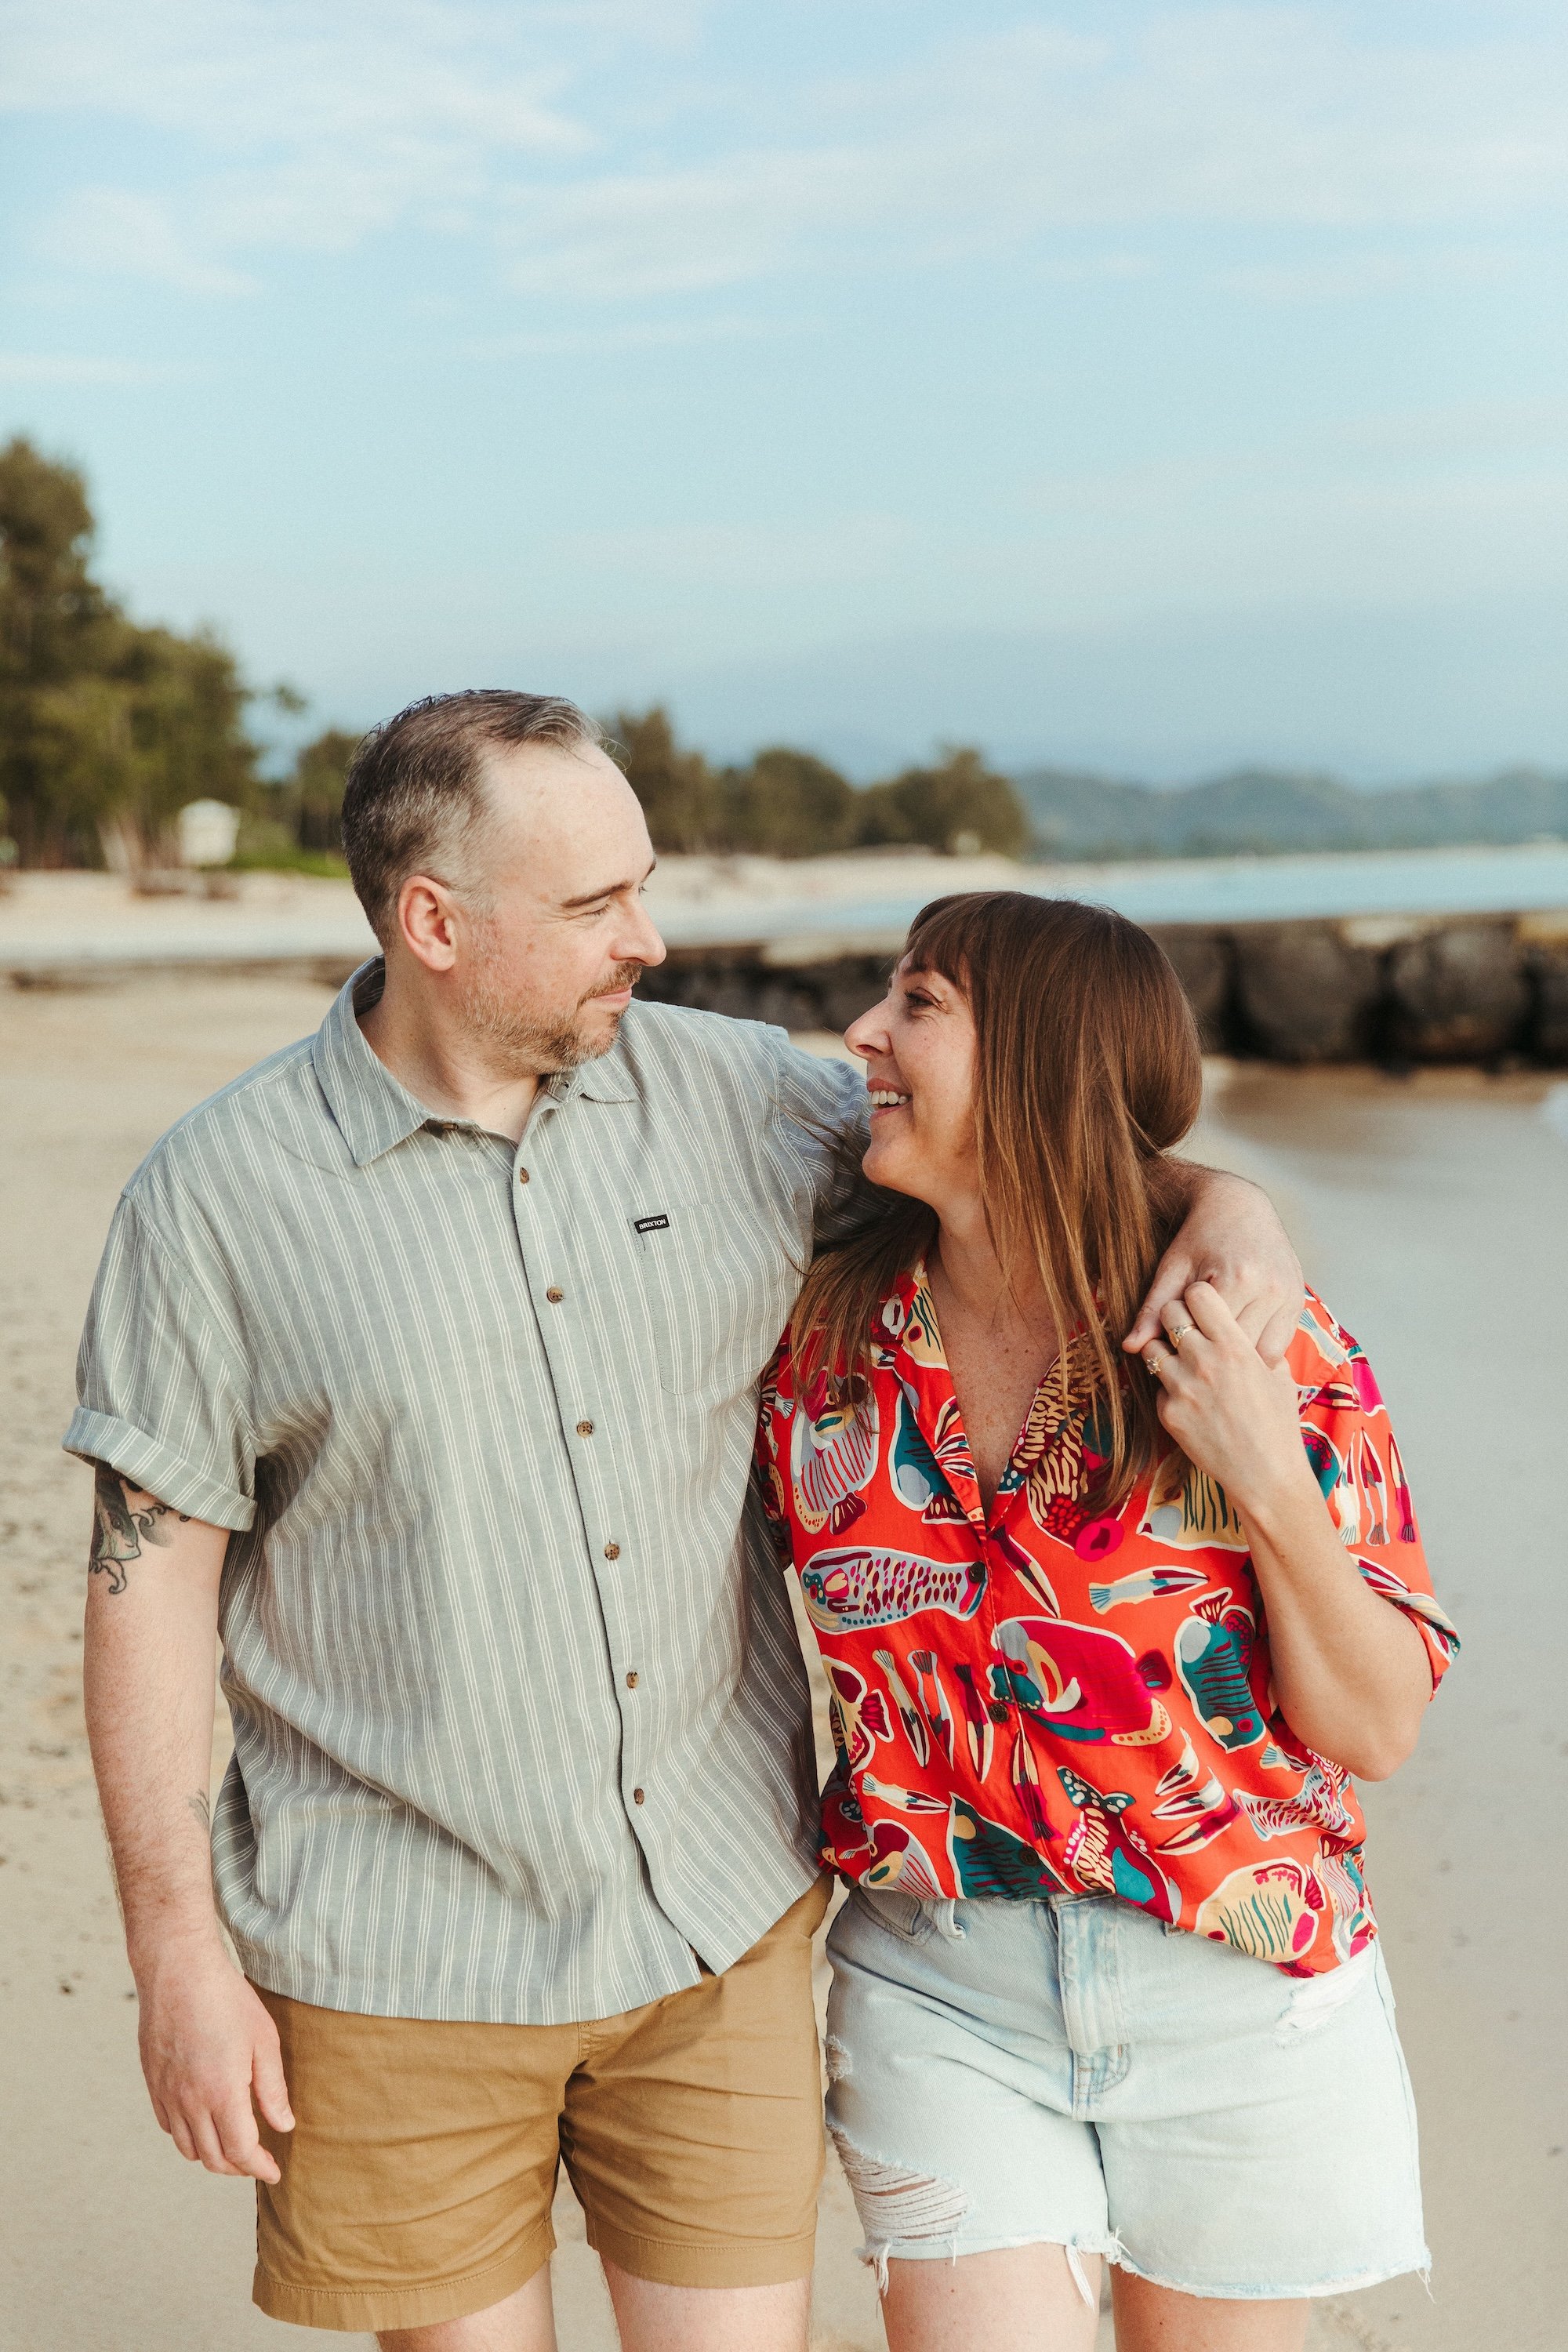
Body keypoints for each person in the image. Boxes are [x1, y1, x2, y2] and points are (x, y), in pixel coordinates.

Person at [71, 694, 1302, 2352]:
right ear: (434, 923)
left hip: (716, 1938)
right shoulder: (214, 1201)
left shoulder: (748, 1104)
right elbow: (147, 1580)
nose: (649, 939)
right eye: (593, 907)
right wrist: (177, 1961)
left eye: (641, 886)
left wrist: (1241, 1212)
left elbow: (1042, 1161)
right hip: (392, 1957)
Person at [757, 890, 1459, 2352]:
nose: (863, 1035)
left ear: (1040, 1061)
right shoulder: (825, 1335)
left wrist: (1264, 1469)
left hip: (1238, 1990)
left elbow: (1377, 1726)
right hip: (940, 1985)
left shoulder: (1258, 1333)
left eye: (920, 1004)